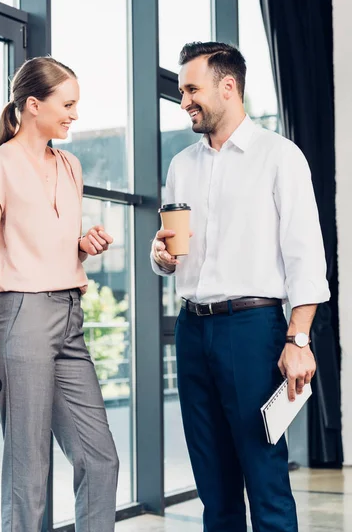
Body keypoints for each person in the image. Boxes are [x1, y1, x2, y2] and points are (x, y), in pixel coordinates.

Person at [151, 42, 330, 532]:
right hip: (192, 330)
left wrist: (298, 339)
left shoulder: (279, 156)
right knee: (215, 487)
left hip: (253, 331)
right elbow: (172, 250)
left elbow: (305, 258)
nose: (183, 99)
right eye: (182, 90)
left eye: (192, 89)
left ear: (228, 87)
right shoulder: (181, 165)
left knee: (265, 477)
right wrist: (160, 257)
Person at [0, 57, 119, 532]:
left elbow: (50, 245)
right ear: (33, 105)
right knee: (29, 474)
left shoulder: (71, 165)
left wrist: (81, 247)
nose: (74, 114)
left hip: (70, 315)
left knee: (100, 459)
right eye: (67, 104)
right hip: (21, 318)